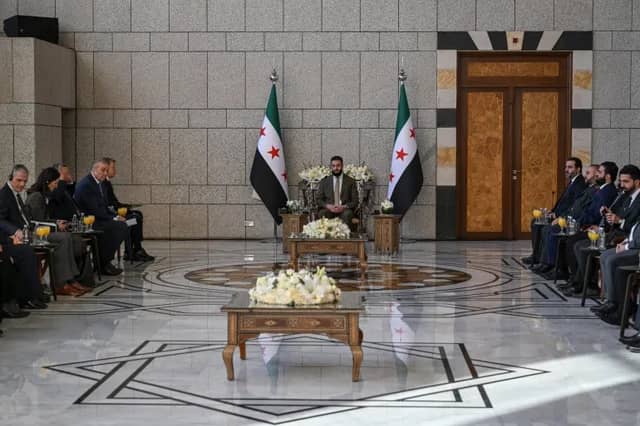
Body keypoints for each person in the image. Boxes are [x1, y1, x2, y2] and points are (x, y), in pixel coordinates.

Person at [26, 167, 91, 296]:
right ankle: (61, 283)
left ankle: (72, 279)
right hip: (37, 235)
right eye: (55, 183)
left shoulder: (44, 196)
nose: (56, 186)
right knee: (64, 238)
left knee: (76, 240)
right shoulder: (36, 196)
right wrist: (56, 225)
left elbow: (45, 219)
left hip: (45, 232)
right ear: (47, 182)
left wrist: (57, 222)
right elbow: (37, 222)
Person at [523, 157, 587, 265]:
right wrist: (552, 212)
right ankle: (537, 255)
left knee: (543, 227)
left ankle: (545, 261)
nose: (566, 170)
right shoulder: (572, 182)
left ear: (578, 169)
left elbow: (573, 206)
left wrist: (557, 215)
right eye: (566, 167)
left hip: (564, 218)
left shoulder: (579, 184)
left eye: (570, 167)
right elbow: (563, 202)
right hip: (557, 215)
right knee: (536, 222)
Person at [0, 165, 47, 309]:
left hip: (23, 233)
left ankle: (37, 292)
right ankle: (29, 297)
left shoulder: (16, 194)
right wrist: (15, 232)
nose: (22, 184)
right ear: (11, 178)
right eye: (19, 180)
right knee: (26, 252)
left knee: (44, 244)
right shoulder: (4, 195)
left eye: (24, 181)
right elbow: (1, 220)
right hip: (8, 239)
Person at [74, 159, 128, 276]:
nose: (105, 173)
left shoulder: (100, 184)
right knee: (120, 227)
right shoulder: (86, 185)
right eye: (103, 170)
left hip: (99, 218)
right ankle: (103, 263)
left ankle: (108, 259)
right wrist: (113, 218)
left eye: (107, 170)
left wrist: (116, 216)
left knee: (128, 223)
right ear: (94, 169)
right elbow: (94, 210)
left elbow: (105, 207)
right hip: (89, 221)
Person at [103, 158, 153, 262]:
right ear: (106, 169)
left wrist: (127, 206)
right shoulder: (103, 183)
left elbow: (114, 202)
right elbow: (110, 204)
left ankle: (133, 249)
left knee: (137, 214)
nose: (115, 170)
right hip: (113, 217)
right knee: (135, 219)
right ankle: (135, 249)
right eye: (113, 168)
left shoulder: (107, 183)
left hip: (115, 212)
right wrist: (125, 208)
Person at [316, 156, 358, 226]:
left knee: (347, 214)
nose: (336, 168)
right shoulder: (324, 181)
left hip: (345, 209)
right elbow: (319, 200)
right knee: (323, 213)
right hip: (329, 209)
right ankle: (326, 233)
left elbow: (355, 201)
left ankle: (344, 233)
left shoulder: (351, 181)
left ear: (342, 166)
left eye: (338, 165)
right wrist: (328, 206)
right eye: (333, 166)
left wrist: (343, 207)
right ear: (331, 167)